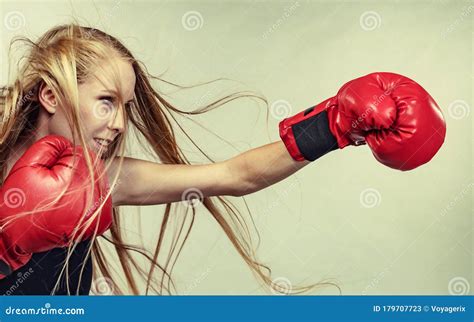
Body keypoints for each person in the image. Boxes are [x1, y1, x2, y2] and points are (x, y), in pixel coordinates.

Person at [0, 23, 446, 295]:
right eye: (105, 101)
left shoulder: (105, 177)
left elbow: (235, 176)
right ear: (51, 95)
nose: (119, 123)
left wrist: (333, 126)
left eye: (126, 106)